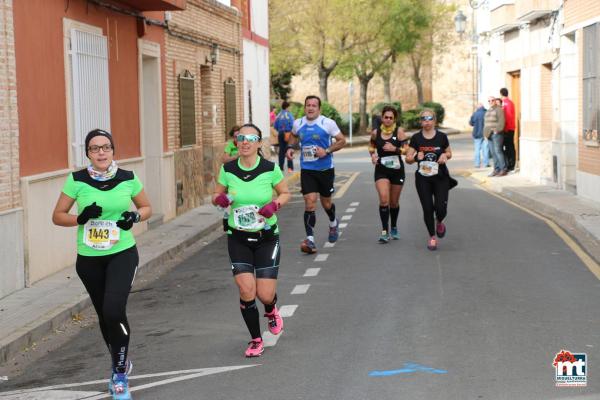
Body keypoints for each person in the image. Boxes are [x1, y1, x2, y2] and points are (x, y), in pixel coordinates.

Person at [52, 129, 152, 400]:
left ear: (112, 150)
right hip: (89, 258)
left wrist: (133, 217)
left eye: (105, 147)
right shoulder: (76, 180)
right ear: (87, 153)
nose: (101, 152)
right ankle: (120, 361)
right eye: (95, 148)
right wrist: (81, 218)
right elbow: (58, 216)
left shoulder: (128, 178)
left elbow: (146, 208)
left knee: (114, 309)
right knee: (105, 315)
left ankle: (119, 374)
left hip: (122, 253)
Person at [212, 123, 291, 358]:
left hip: (266, 237)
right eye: (240, 138)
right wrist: (221, 200)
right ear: (236, 142)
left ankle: (271, 309)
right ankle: (256, 339)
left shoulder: (270, 168)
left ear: (259, 143)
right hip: (237, 238)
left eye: (250, 138)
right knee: (247, 290)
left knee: (264, 294)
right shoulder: (227, 169)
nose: (245, 142)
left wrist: (274, 205)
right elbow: (215, 196)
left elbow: (286, 192)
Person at [286, 95, 347, 254]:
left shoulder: (327, 123)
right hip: (307, 170)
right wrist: (291, 148)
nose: (311, 108)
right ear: (305, 107)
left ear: (319, 109)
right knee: (310, 202)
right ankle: (310, 240)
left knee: (326, 203)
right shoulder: (298, 123)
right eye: (308, 105)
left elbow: (342, 140)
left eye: (314, 105)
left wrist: (326, 151)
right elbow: (293, 136)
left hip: (325, 169)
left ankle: (333, 223)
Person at [405, 109, 457, 251]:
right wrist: (416, 158)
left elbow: (449, 152)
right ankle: (432, 237)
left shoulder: (442, 137)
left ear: (434, 120)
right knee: (427, 208)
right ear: (420, 121)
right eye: (423, 119)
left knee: (441, 208)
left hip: (440, 178)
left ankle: (439, 221)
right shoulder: (416, 138)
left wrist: (445, 156)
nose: (426, 121)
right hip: (423, 179)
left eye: (429, 118)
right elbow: (408, 159)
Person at [368, 105, 408, 243]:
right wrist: (372, 156)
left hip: (397, 171)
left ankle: (394, 226)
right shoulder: (375, 132)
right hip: (381, 170)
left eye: (391, 118)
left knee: (394, 203)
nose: (388, 120)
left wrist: (394, 148)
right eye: (386, 117)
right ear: (382, 118)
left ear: (394, 119)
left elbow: (407, 151)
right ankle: (385, 231)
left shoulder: (400, 132)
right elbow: (371, 146)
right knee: (384, 199)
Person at [483, 97, 507, 177]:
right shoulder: (488, 110)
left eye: (492, 100)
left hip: (496, 134)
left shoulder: (499, 109)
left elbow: (502, 121)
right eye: (489, 100)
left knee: (498, 151)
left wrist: (497, 130)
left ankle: (503, 169)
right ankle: (496, 169)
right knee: (493, 153)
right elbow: (486, 123)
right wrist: (485, 134)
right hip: (489, 135)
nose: (490, 102)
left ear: (495, 101)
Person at [273, 101, 295, 173]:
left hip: (280, 134)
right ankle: (290, 168)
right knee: (289, 149)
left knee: (281, 151)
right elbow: (293, 125)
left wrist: (280, 130)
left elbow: (275, 126)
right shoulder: (289, 115)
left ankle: (281, 167)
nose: (290, 108)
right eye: (290, 107)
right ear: (287, 107)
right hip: (288, 134)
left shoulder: (278, 115)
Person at [500, 88, 516, 171]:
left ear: (501, 94)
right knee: (509, 146)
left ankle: (511, 165)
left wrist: (505, 128)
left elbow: (508, 117)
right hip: (511, 127)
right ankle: (510, 164)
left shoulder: (505, 103)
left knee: (509, 147)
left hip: (508, 128)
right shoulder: (511, 102)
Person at [469, 103, 489, 168]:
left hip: (477, 134)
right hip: (485, 134)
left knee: (477, 150)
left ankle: (477, 164)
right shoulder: (487, 113)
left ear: (477, 107)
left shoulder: (475, 114)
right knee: (485, 149)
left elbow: (471, 123)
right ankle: (486, 163)